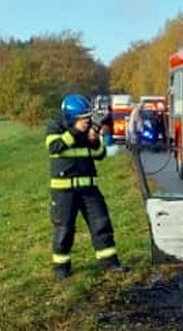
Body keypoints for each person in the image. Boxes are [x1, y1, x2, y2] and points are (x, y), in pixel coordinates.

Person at [45, 94, 124, 280]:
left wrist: (94, 139)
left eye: (88, 117)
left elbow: (99, 154)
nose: (87, 120)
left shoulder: (88, 130)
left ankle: (109, 263)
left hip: (89, 189)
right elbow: (54, 147)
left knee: (101, 224)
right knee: (64, 229)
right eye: (83, 117)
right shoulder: (55, 128)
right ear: (72, 117)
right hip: (64, 191)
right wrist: (76, 132)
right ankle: (61, 268)